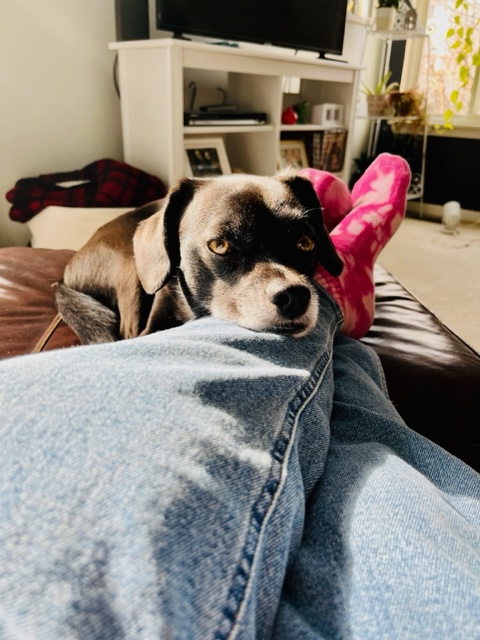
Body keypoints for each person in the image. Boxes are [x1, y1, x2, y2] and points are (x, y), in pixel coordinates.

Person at [0, 155, 478, 638]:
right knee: (348, 366)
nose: (287, 285)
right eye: (223, 245)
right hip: (121, 259)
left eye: (302, 243)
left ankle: (334, 274)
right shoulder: (165, 237)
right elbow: (151, 287)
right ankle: (342, 290)